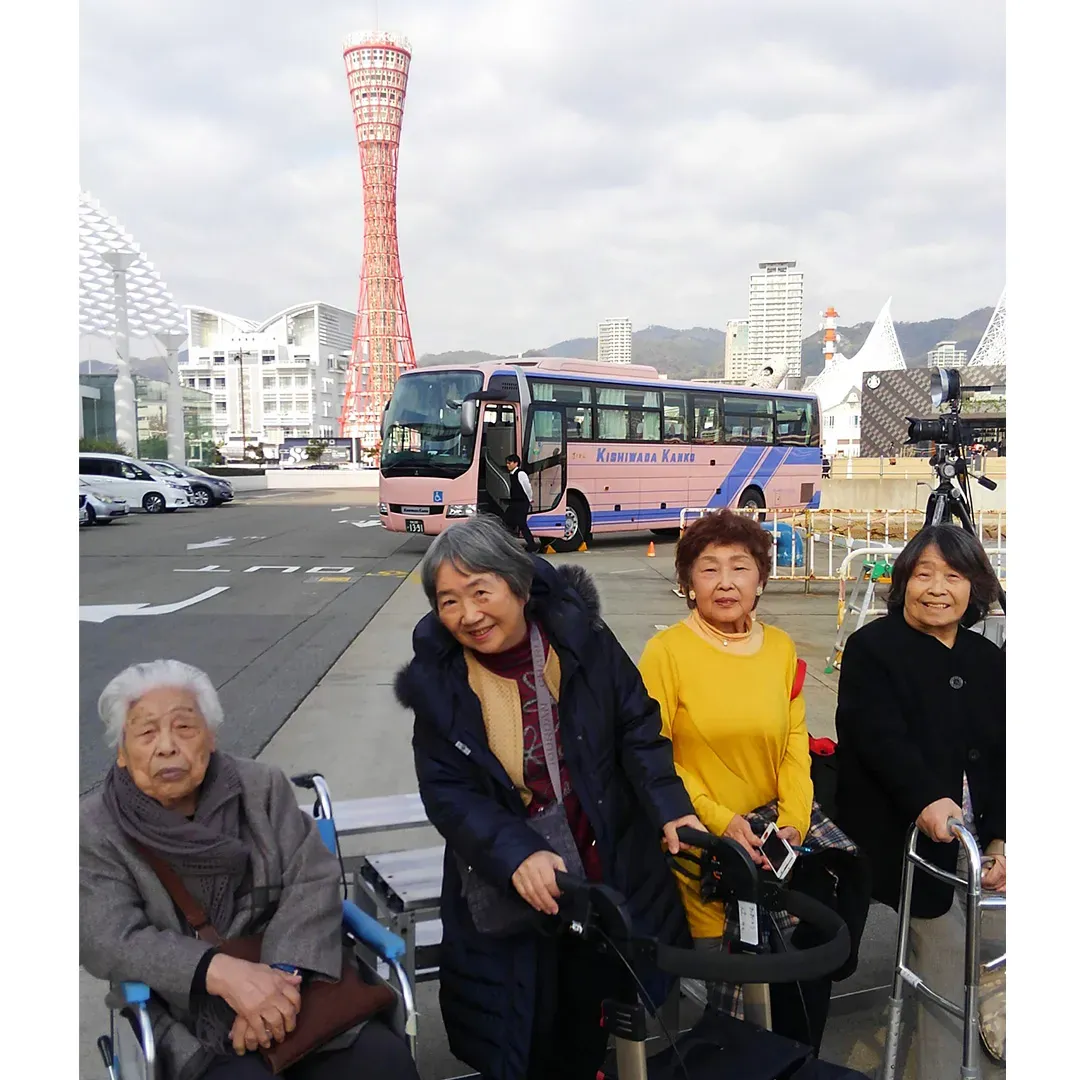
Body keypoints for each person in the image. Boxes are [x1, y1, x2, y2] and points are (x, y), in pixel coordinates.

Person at [396, 514, 703, 1080]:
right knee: (530, 1031)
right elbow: (448, 792)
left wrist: (671, 807)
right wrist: (517, 853)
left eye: (480, 592)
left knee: (602, 1015)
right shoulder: (441, 681)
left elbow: (636, 726)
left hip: (606, 866)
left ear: (517, 586)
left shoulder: (579, 641)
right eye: (448, 601)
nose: (468, 615)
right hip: (516, 883)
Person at [80, 660, 419, 1080]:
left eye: (184, 727)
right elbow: (107, 937)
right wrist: (222, 974)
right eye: (147, 733)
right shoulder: (96, 827)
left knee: (384, 1064)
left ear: (211, 738)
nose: (166, 746)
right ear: (121, 752)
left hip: (298, 987)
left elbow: (312, 879)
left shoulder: (262, 788)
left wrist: (279, 981)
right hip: (184, 1010)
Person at [639, 509, 859, 1049]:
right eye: (708, 569)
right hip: (704, 836)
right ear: (689, 583)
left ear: (760, 578)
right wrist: (722, 822)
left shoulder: (780, 647)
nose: (725, 582)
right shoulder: (667, 652)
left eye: (739, 567)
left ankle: (796, 1056)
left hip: (775, 832)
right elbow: (653, 753)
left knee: (807, 954)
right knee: (739, 981)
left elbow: (793, 743)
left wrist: (793, 822)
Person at [834, 525, 1005, 1080]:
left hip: (976, 836)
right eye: (923, 574)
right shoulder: (872, 649)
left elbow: (1004, 752)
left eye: (953, 576)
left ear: (973, 587)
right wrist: (926, 800)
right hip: (906, 834)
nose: (937, 588)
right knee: (947, 953)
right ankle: (946, 1070)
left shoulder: (987, 657)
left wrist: (1001, 835)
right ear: (903, 581)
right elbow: (877, 738)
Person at [503, 452, 538, 552]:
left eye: (509, 463)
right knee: (507, 521)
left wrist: (530, 499)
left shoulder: (520, 474)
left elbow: (527, 487)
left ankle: (532, 545)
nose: (507, 465)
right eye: (507, 463)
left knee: (521, 523)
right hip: (515, 502)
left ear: (516, 463)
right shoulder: (512, 474)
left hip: (522, 502)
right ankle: (508, 543)